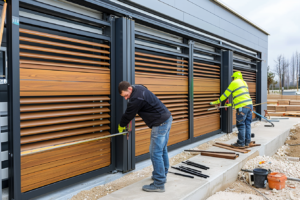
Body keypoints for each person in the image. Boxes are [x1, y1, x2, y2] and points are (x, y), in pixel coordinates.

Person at [118, 81, 172, 192]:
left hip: (160, 123)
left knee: (155, 152)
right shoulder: (138, 87)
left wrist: (121, 125)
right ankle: (162, 175)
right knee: (162, 149)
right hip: (167, 118)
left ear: (130, 89)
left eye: (126, 95)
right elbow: (144, 89)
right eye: (123, 97)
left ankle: (159, 184)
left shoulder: (136, 99)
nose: (126, 98)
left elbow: (129, 114)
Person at [210, 71, 253, 148]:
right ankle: (247, 142)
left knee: (241, 125)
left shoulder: (234, 83)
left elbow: (226, 94)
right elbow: (242, 98)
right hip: (250, 106)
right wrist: (230, 104)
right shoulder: (244, 82)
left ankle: (241, 143)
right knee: (248, 124)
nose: (232, 79)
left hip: (242, 108)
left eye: (232, 78)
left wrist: (217, 101)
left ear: (235, 77)